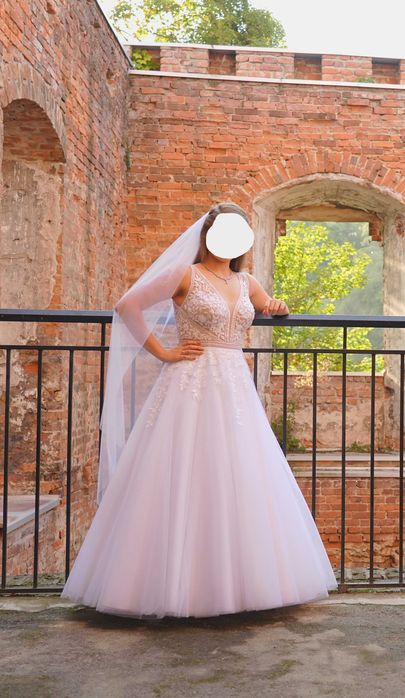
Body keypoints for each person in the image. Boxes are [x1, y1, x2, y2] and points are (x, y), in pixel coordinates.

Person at [61, 201, 338, 619]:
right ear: (208, 235)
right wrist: (163, 352)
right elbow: (127, 306)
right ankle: (174, 588)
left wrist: (277, 306)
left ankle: (238, 586)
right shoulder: (185, 274)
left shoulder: (245, 281)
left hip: (235, 388)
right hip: (188, 383)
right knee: (182, 472)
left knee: (237, 474)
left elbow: (268, 304)